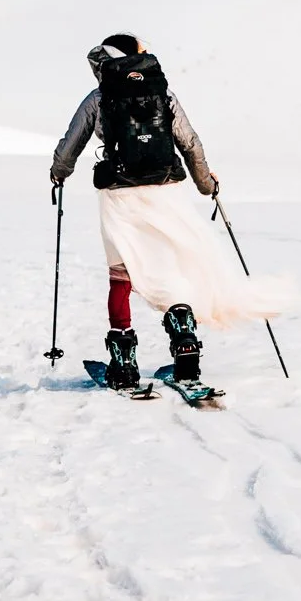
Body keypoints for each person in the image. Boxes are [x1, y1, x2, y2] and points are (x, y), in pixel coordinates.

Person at [50, 33, 284, 389]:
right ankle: (185, 340)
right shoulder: (163, 93)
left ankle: (124, 362)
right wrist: (206, 184)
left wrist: (58, 173)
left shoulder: (98, 98)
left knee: (121, 275)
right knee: (169, 267)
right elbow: (190, 142)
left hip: (119, 195)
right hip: (167, 191)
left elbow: (71, 146)